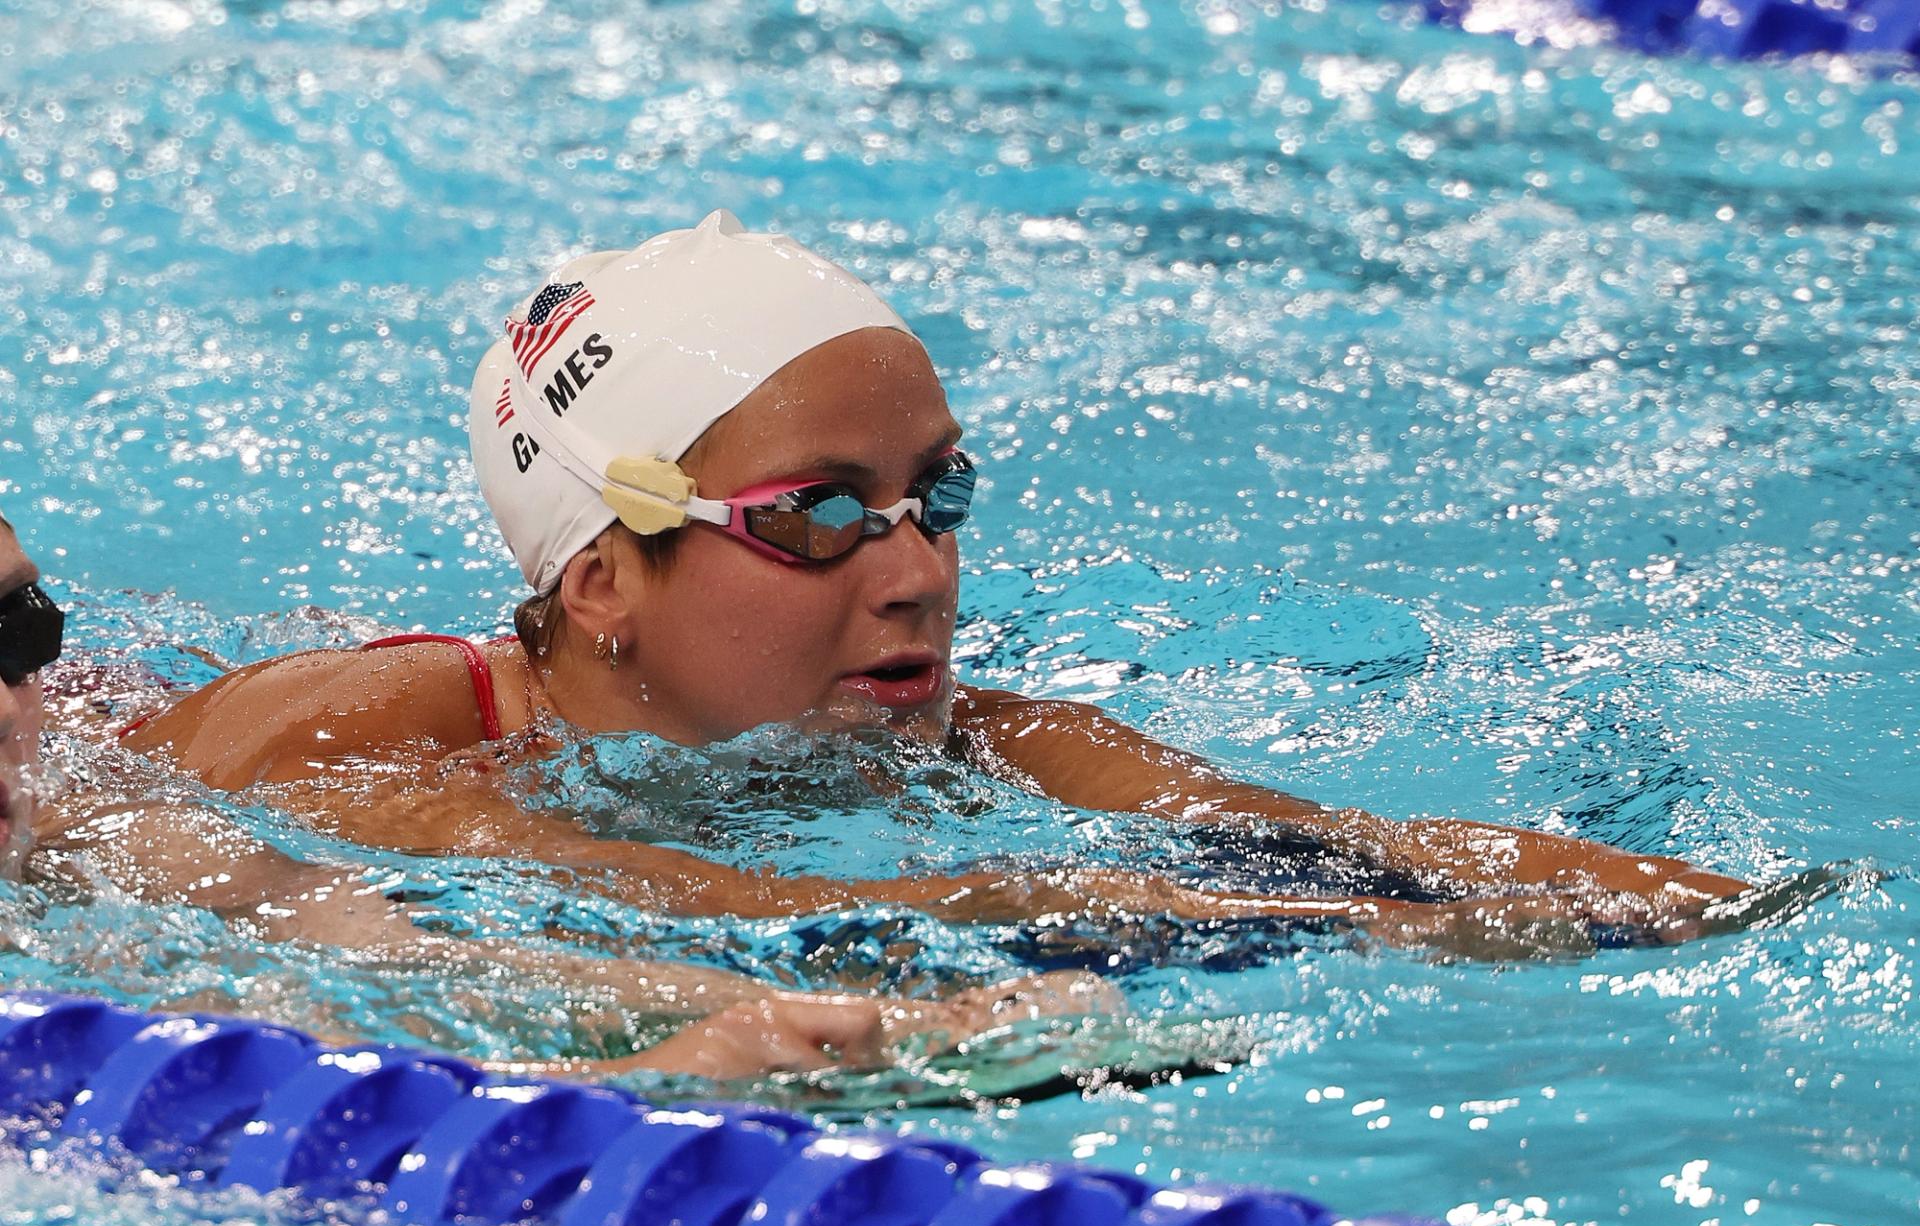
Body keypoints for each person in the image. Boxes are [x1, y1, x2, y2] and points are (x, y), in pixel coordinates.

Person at [114, 212, 1752, 952]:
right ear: (606, 578)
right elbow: (702, 911)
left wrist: (1721, 906)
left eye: (935, 494)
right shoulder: (366, 748)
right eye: (824, 515)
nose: (919, 571)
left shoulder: (964, 731)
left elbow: (1332, 838)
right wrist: (1091, 909)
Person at [3, 513, 1118, 1082]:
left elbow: (390, 959)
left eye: (17, 633)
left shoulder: (81, 803)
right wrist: (651, 1086)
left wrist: (831, 1024)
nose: (12, 709)